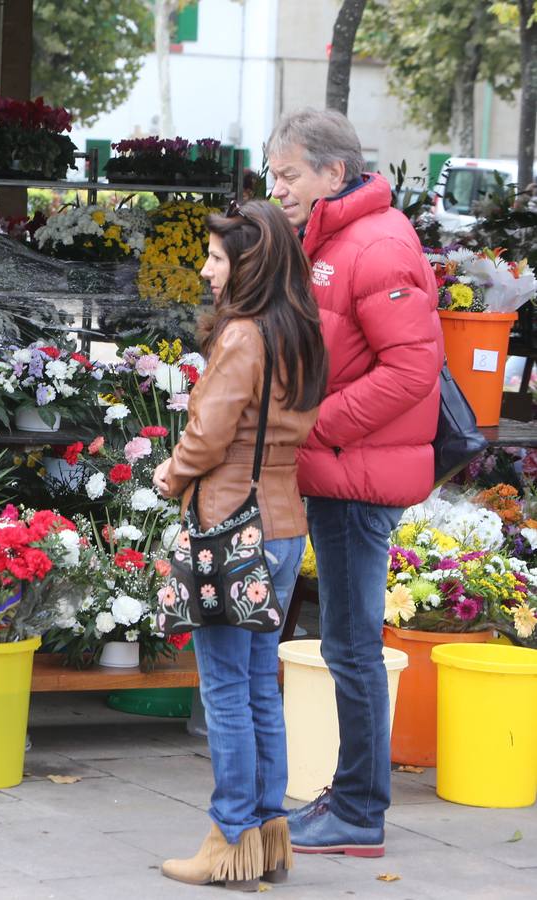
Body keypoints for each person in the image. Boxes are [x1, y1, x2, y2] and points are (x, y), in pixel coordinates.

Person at [264, 108, 443, 857]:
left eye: (289, 175)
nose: (278, 189)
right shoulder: (334, 236)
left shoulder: (375, 244)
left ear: (335, 172)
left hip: (357, 475)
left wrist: (316, 426)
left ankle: (362, 811)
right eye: (274, 175)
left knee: (351, 646)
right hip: (339, 467)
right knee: (345, 641)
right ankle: (352, 795)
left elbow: (411, 370)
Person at [153, 200, 328, 890]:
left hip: (231, 525)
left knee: (225, 690)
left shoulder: (244, 336)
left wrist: (172, 471)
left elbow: (210, 433)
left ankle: (229, 840)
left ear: (249, 265)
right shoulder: (304, 331)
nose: (207, 269)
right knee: (259, 687)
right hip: (282, 525)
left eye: (219, 259)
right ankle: (266, 834)